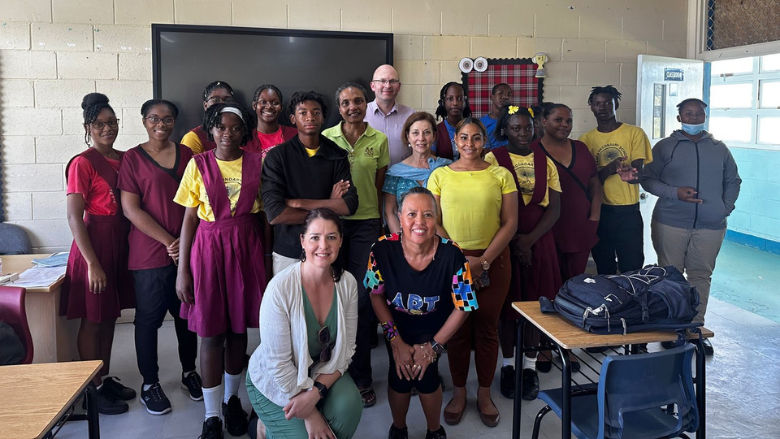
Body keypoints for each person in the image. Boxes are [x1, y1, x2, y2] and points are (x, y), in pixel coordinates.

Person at [174, 102, 267, 438]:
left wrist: (266, 263)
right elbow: (189, 219)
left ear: (245, 132)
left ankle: (231, 401)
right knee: (211, 333)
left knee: (238, 331)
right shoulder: (197, 164)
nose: (228, 133)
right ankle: (211, 415)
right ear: (210, 130)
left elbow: (264, 217)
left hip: (246, 249)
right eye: (221, 127)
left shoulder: (258, 163)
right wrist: (183, 269)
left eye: (235, 128)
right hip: (209, 251)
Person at [428, 118, 518, 428]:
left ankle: (484, 393)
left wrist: (484, 261)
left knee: (487, 329)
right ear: (455, 140)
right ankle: (459, 392)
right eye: (464, 137)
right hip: (452, 261)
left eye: (476, 137)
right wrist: (461, 259)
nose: (469, 143)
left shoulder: (500, 175)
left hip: (494, 260)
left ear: (484, 141)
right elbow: (434, 222)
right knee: (457, 331)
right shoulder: (440, 175)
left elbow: (510, 223)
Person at [367, 187, 475, 439]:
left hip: (435, 328)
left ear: (436, 218)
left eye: (428, 214)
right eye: (412, 214)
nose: (420, 222)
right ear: (399, 217)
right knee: (400, 374)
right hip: (397, 326)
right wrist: (395, 341)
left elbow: (464, 306)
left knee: (426, 375)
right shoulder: (381, 249)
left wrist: (434, 347)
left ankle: (434, 430)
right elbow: (375, 295)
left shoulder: (453, 254)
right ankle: (399, 428)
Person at [246, 208, 363, 439]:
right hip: (276, 382)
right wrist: (311, 414)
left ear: (340, 241)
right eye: (315, 237)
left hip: (319, 372)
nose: (323, 245)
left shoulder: (347, 283)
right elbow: (278, 365)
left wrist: (316, 392)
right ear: (302, 241)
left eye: (331, 237)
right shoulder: (280, 289)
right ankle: (263, 428)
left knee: (349, 408)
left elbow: (346, 350)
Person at [118, 99, 201, 415]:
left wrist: (182, 244)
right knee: (148, 320)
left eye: (167, 119)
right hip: (149, 252)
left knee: (186, 315)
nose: (161, 124)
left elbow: (197, 200)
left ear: (174, 122)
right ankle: (149, 383)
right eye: (154, 118)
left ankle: (189, 372)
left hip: (187, 248)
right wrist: (169, 241)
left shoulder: (188, 155)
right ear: (144, 121)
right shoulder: (132, 158)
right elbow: (130, 209)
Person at [641, 98, 741, 355]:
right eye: (688, 113)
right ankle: (673, 328)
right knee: (671, 276)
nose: (694, 118)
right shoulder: (665, 147)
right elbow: (647, 179)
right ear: (679, 118)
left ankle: (695, 328)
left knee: (700, 276)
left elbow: (733, 180)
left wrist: (724, 207)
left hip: (711, 225)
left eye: (699, 114)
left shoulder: (719, 148)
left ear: (705, 116)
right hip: (670, 222)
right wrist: (674, 193)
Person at [62, 92, 136, 414]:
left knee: (109, 316)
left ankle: (104, 378)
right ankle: (90, 389)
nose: (108, 129)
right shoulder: (83, 163)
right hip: (94, 245)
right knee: (92, 319)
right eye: (99, 124)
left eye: (112, 122)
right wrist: (92, 263)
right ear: (88, 128)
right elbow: (73, 217)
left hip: (120, 241)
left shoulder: (126, 158)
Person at [484, 105, 563, 401]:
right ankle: (508, 364)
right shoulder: (493, 159)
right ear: (505, 130)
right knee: (507, 306)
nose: (522, 133)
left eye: (527, 128)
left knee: (535, 306)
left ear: (534, 129)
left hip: (538, 239)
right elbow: (488, 200)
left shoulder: (546, 161)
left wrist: (528, 241)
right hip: (503, 238)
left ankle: (529, 367)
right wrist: (514, 239)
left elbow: (554, 209)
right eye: (515, 128)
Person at [322, 82, 390, 408]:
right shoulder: (326, 138)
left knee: (362, 300)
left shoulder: (379, 140)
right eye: (346, 102)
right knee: (330, 299)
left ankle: (361, 376)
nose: (353, 107)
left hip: (366, 225)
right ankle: (331, 373)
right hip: (333, 224)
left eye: (358, 101)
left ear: (367, 104)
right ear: (339, 107)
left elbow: (377, 185)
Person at [262, 91, 359, 275]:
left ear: (323, 118)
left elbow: (350, 205)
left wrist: (299, 203)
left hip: (327, 248)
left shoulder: (337, 154)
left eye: (316, 112)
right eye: (303, 113)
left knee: (328, 294)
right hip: (289, 249)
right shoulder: (278, 157)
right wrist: (330, 205)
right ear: (293, 119)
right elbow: (275, 214)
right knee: (288, 295)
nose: (310, 117)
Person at [580, 85, 652, 274]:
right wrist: (610, 169)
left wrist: (632, 175)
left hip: (628, 211)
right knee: (604, 267)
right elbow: (588, 182)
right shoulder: (585, 140)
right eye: (597, 103)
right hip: (600, 211)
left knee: (632, 266)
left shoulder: (634, 133)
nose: (602, 107)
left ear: (616, 104)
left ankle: (632, 294)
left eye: (607, 103)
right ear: (591, 107)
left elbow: (638, 173)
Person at [537, 104, 601, 280]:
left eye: (569, 121)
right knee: (549, 282)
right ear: (544, 121)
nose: (565, 124)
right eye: (558, 120)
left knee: (575, 282)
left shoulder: (580, 148)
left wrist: (594, 218)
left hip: (580, 229)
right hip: (546, 230)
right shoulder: (533, 151)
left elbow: (595, 184)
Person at [383, 112, 452, 234]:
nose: (421, 138)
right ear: (408, 136)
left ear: (434, 136)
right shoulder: (395, 172)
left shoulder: (446, 168)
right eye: (415, 133)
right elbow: (390, 212)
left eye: (427, 132)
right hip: (405, 237)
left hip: (442, 236)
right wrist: (401, 241)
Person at [365, 64, 416, 166]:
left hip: (402, 175)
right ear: (372, 86)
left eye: (392, 81)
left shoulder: (411, 116)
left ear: (399, 86)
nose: (388, 86)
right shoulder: (361, 114)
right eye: (382, 81)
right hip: (369, 175)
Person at [244, 84, 298, 161]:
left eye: (275, 103)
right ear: (254, 106)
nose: (269, 106)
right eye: (263, 102)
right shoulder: (246, 140)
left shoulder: (295, 135)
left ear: (281, 107)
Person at [181, 80, 234, 154]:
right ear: (205, 106)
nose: (222, 104)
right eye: (215, 100)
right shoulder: (194, 137)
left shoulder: (240, 133)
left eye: (227, 100)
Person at [433, 82, 472, 160]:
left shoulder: (475, 128)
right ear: (443, 102)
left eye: (459, 98)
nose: (455, 103)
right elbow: (430, 159)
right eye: (450, 99)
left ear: (465, 102)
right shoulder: (436, 131)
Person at [479, 83, 512, 149]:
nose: (505, 97)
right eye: (500, 93)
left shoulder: (515, 121)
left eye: (509, 95)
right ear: (492, 97)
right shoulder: (481, 123)